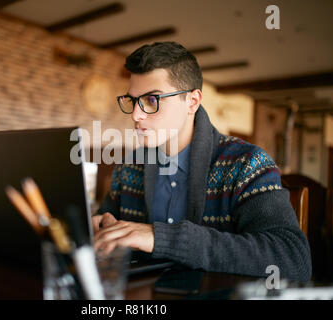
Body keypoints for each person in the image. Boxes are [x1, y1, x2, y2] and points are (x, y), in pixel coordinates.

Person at [93, 42, 312, 281]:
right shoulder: (128, 168)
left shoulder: (247, 164)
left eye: (152, 100)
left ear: (192, 102)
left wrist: (160, 238)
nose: (136, 114)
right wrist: (99, 228)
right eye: (133, 100)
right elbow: (105, 229)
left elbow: (293, 259)